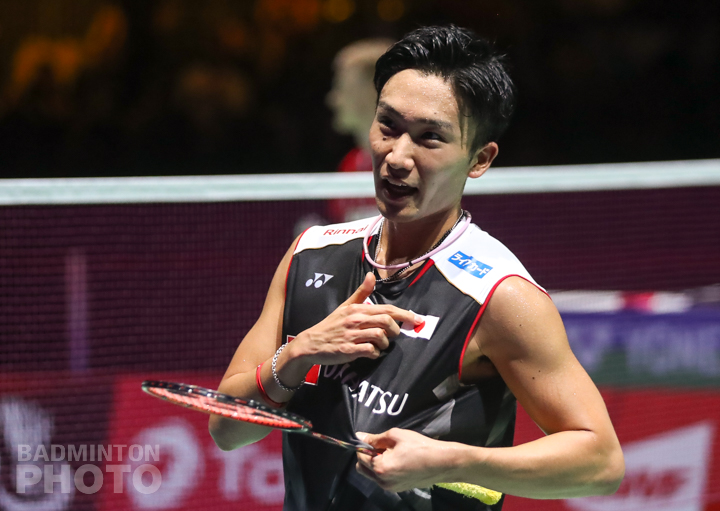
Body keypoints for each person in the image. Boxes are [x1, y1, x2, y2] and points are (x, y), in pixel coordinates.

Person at [209, 24, 624, 511]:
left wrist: (450, 461)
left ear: (479, 159)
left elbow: (600, 462)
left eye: (430, 138)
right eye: (387, 125)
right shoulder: (310, 254)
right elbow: (226, 430)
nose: (397, 157)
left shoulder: (499, 296)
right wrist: (298, 354)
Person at [326, 38, 393, 223]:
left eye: (341, 88)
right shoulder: (350, 165)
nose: (333, 100)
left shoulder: (416, 163)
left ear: (373, 91)